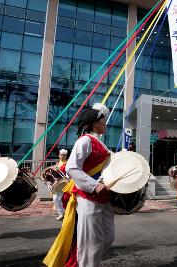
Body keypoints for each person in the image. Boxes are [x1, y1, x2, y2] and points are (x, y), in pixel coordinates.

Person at [43, 103, 113, 267]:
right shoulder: (85, 141)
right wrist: (94, 185)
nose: (106, 124)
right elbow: (71, 167)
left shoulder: (100, 143)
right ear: (95, 123)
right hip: (87, 196)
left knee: (107, 237)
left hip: (103, 196)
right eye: (104, 121)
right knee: (90, 243)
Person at [52, 149, 68, 221]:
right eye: (61, 155)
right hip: (56, 182)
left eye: (64, 155)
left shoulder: (67, 164)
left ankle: (62, 213)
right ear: (59, 155)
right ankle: (62, 213)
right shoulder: (58, 163)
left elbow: (68, 175)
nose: (62, 156)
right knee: (56, 199)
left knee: (56, 199)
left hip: (63, 183)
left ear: (66, 156)